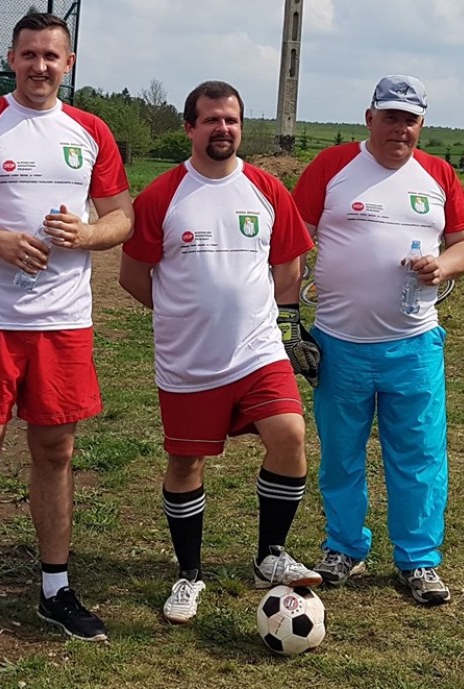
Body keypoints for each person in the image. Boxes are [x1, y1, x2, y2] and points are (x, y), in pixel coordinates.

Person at [0, 12, 133, 646]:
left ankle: (55, 587)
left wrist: (89, 234)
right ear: (12, 59)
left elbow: (121, 217)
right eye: (29, 54)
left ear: (68, 64)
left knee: (56, 451)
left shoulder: (90, 130)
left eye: (51, 56)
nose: (40, 65)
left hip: (62, 322)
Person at [119, 80, 321, 625]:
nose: (222, 128)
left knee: (290, 436)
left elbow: (288, 264)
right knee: (186, 462)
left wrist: (284, 323)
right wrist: (182, 312)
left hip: (258, 351)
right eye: (210, 119)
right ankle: (189, 573)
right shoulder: (162, 195)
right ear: (190, 127)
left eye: (230, 119)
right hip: (189, 359)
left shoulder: (266, 188)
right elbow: (133, 275)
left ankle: (270, 556)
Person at [292, 75, 464, 605]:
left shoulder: (438, 174)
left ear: (422, 124)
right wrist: (286, 315)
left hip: (413, 346)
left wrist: (442, 265)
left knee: (419, 456)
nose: (400, 128)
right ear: (370, 118)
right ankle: (344, 546)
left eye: (410, 119)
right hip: (339, 344)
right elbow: (293, 239)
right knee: (341, 455)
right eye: (390, 116)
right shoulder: (332, 166)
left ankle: (418, 560)